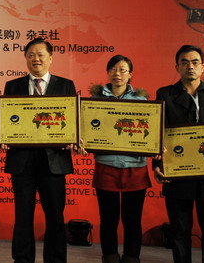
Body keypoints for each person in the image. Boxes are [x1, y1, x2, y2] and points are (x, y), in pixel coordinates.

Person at [154, 45, 204, 263]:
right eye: (185, 62)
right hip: (178, 173)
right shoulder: (165, 94)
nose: (190, 66)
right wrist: (157, 165)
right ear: (177, 67)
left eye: (195, 62)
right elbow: (159, 133)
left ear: (203, 67)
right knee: (179, 232)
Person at [4, 38, 76, 263]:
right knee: (23, 215)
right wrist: (4, 135)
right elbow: (8, 120)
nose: (36, 59)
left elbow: (72, 119)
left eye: (41, 54)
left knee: (55, 215)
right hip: (22, 160)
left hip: (53, 160)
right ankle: (22, 259)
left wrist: (72, 137)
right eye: (31, 55)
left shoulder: (66, 85)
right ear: (25, 58)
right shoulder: (12, 86)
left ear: (50, 58)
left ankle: (55, 259)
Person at [90, 55, 151, 263]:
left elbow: (150, 131)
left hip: (136, 167)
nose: (118, 73)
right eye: (113, 69)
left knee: (132, 220)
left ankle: (132, 257)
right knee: (108, 219)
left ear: (130, 74)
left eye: (123, 70)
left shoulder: (142, 102)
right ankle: (110, 257)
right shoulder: (95, 101)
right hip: (106, 165)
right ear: (108, 73)